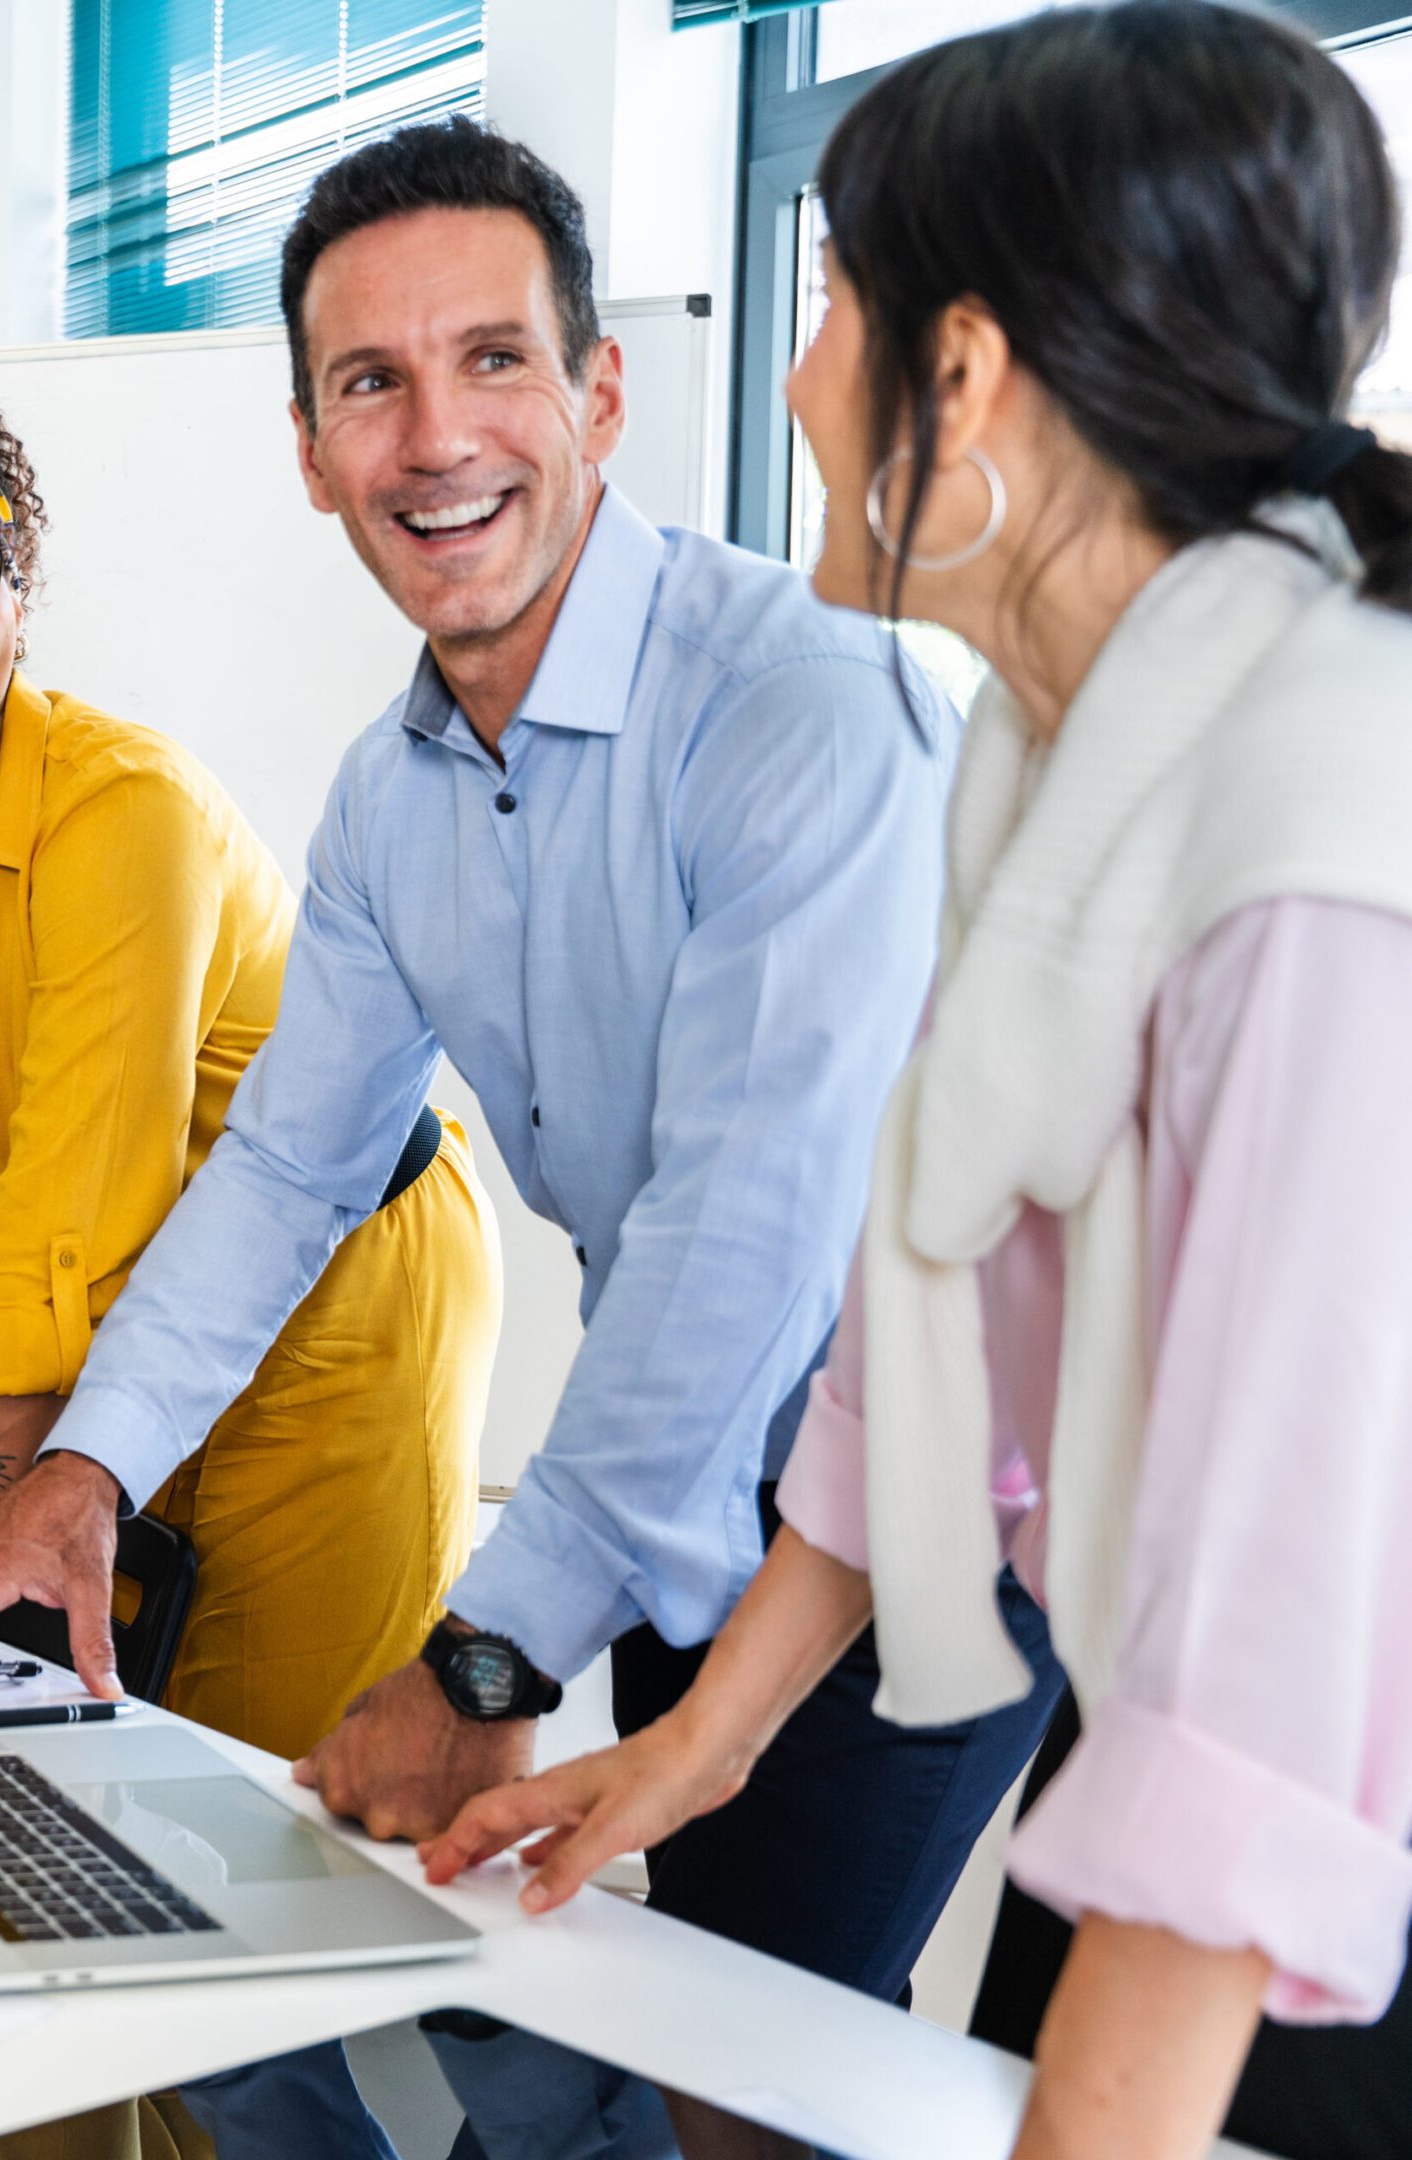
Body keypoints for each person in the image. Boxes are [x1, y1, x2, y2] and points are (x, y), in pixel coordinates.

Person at [0, 120, 1056, 2158]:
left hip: (969, 1497)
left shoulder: (808, 707)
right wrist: (85, 1468)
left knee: (760, 2042)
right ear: (309, 444)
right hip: (728, 1478)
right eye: (369, 384)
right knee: (686, 2013)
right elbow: (282, 1171)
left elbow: (735, 1235)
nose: (436, 439)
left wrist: (496, 1637)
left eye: (490, 361)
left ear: (595, 393)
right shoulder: (385, 799)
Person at [423, 10, 1412, 2157]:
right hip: (1184, 1763)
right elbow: (931, 1345)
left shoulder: (1317, 841)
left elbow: (1271, 1643)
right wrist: (690, 1752)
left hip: (1336, 1840)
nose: (792, 380)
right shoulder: (1059, 751)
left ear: (955, 378)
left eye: (833, 311)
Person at [0, 353, 500, 1770]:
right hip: (138, 1331)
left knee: (257, 1778)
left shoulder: (125, 814)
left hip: (341, 1296)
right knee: (94, 1744)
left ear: (15, 585)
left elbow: (54, 1234)